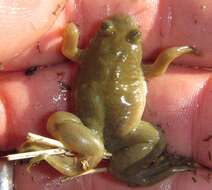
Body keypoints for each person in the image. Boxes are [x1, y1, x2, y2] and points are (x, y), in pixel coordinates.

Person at [1, 0, 212, 189]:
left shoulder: (86, 57)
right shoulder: (136, 68)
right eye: (106, 28)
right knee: (155, 139)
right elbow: (159, 67)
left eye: (133, 36)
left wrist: (71, 31)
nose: (126, 29)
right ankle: (126, 168)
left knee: (56, 120)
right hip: (118, 132)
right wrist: (177, 51)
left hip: (91, 132)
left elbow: (69, 49)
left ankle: (89, 155)